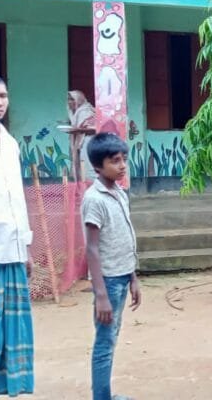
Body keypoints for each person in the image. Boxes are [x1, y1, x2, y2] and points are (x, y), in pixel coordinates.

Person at [82, 132, 141, 400]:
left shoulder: (119, 193)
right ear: (97, 167)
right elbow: (92, 248)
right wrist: (101, 295)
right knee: (105, 343)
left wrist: (134, 277)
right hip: (108, 281)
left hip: (122, 275)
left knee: (111, 338)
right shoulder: (94, 199)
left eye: (124, 159)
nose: (122, 165)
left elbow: (125, 237)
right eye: (115, 161)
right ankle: (102, 397)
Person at [0, 72, 35, 399]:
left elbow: (17, 198)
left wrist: (27, 248)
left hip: (14, 253)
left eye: (2, 96)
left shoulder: (11, 143)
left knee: (13, 334)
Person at [67, 90, 97, 181]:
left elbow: (95, 128)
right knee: (81, 167)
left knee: (88, 168)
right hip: (81, 142)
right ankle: (83, 190)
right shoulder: (76, 112)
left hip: (89, 142)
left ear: (79, 99)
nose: (69, 102)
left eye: (72, 99)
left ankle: (94, 189)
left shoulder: (86, 111)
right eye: (68, 99)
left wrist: (77, 129)